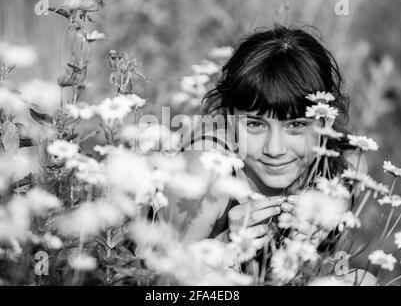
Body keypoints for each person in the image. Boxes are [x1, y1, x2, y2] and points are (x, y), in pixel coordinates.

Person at [160, 24, 376, 284]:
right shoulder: (207, 174)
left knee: (363, 280)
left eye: (296, 125)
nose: (274, 150)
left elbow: (321, 270)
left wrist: (302, 256)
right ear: (229, 119)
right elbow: (159, 285)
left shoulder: (343, 170)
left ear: (325, 122)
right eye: (255, 124)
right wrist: (226, 246)